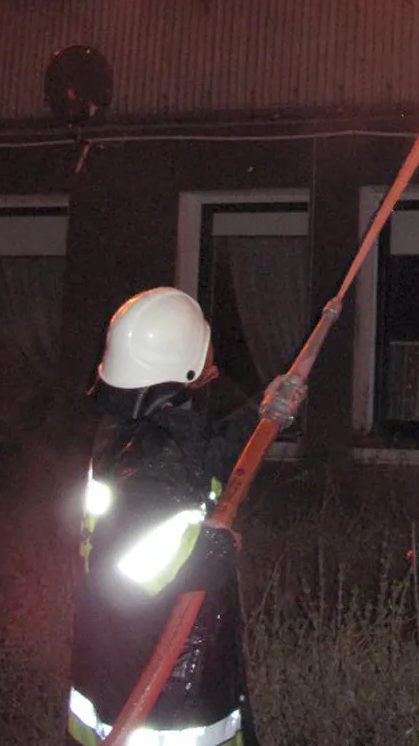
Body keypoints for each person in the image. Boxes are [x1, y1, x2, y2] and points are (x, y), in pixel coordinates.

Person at [65, 287, 304, 746]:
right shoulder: (148, 459)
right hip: (163, 696)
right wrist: (206, 554)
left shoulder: (137, 433)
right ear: (181, 365)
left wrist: (263, 412)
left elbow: (202, 462)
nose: (213, 358)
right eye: (204, 348)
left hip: (123, 668)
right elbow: (126, 574)